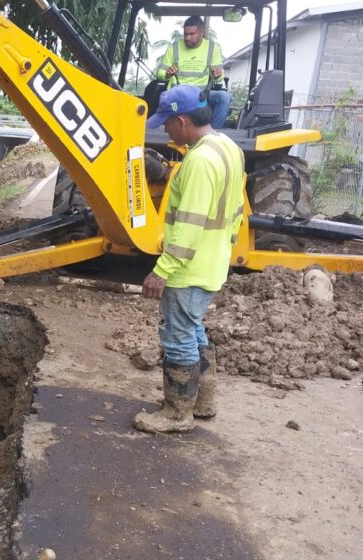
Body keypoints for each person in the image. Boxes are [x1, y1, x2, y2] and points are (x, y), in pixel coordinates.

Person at [134, 85, 245, 434]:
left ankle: (176, 413)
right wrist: (223, 250)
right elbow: (236, 213)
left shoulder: (198, 162)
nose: (164, 130)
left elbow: (189, 225)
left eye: (167, 123)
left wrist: (161, 271)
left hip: (188, 268)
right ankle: (202, 402)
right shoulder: (228, 147)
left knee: (178, 336)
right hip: (211, 263)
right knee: (194, 330)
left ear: (182, 121)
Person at [156, 15, 232, 129]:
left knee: (225, 97)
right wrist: (167, 74)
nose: (187, 38)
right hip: (178, 93)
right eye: (186, 34)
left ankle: (213, 133)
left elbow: (219, 76)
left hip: (201, 94)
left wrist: (218, 74)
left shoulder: (212, 48)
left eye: (192, 34)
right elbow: (160, 73)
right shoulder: (174, 47)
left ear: (202, 32)